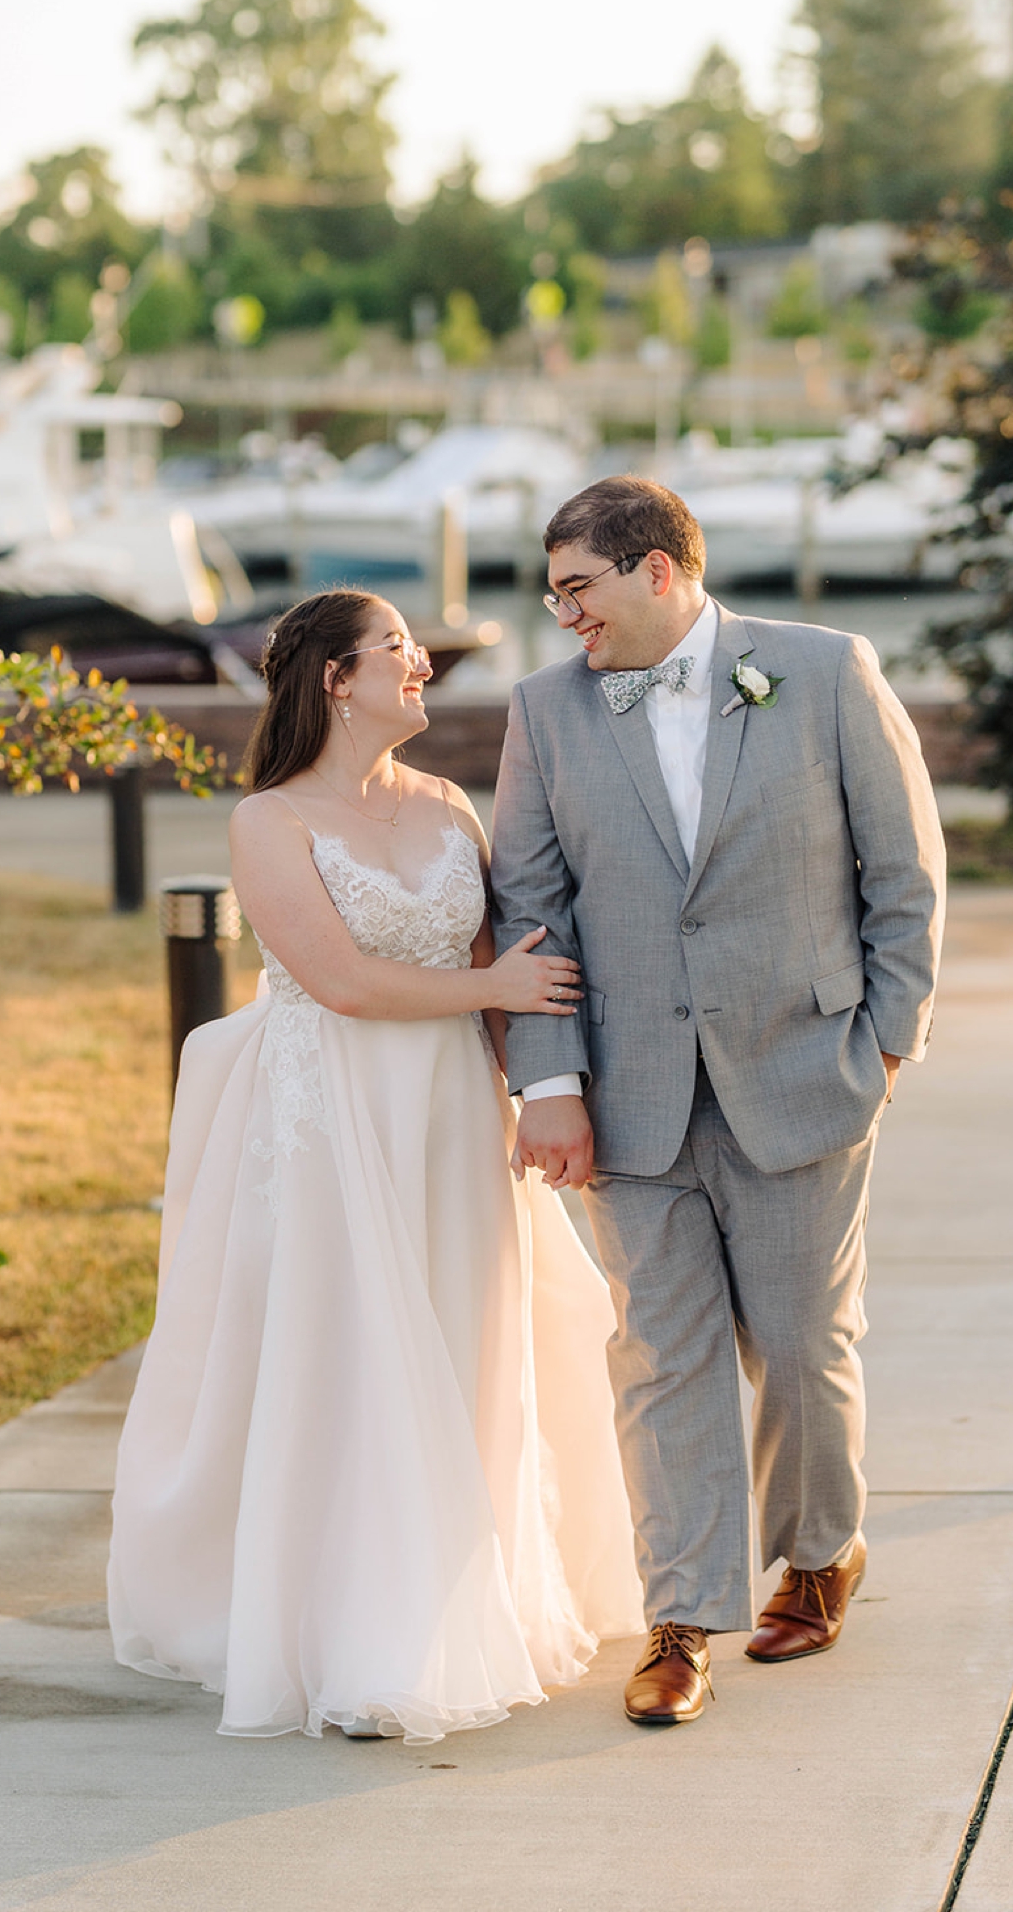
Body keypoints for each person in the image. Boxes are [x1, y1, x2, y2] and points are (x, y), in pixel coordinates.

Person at [108, 588, 642, 1744]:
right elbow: (342, 980)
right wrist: (493, 989)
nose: (419, 663)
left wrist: (543, 1099)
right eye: (395, 647)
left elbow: (509, 968)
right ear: (335, 680)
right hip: (331, 1113)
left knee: (464, 1339)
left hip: (450, 1115)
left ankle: (460, 1599)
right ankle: (361, 1637)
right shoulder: (270, 821)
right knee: (348, 1353)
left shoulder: (449, 803)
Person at [491, 475, 945, 1726]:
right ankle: (681, 1617)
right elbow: (529, 907)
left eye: (577, 586)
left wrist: (885, 1044)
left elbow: (903, 871)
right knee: (663, 1357)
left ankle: (818, 1548)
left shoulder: (825, 668)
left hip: (804, 1076)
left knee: (802, 1346)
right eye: (551, 592)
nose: (561, 614)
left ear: (655, 569)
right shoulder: (544, 711)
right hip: (628, 1097)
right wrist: (550, 1082)